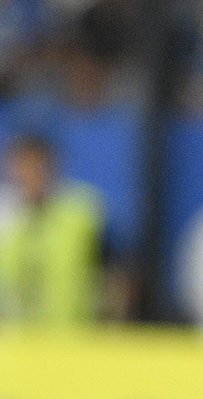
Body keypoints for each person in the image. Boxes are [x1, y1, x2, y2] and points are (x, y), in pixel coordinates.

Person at [0, 134, 117, 324]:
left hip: (74, 338)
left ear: (53, 168)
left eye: (37, 166)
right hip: (14, 342)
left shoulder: (83, 213)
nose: (30, 175)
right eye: (24, 166)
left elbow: (115, 276)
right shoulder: (4, 217)